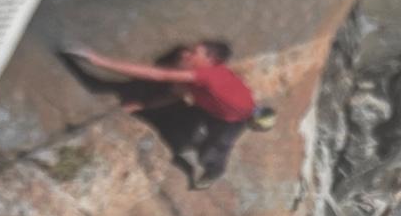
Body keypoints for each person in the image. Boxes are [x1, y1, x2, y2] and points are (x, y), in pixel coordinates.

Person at [71, 40, 271, 189]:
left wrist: (97, 60)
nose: (188, 54)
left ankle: (214, 171)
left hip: (231, 120)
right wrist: (141, 105)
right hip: (213, 108)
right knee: (184, 118)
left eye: (194, 52)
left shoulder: (210, 77)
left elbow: (159, 74)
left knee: (211, 151)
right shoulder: (204, 76)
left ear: (210, 59)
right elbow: (176, 94)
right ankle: (191, 137)